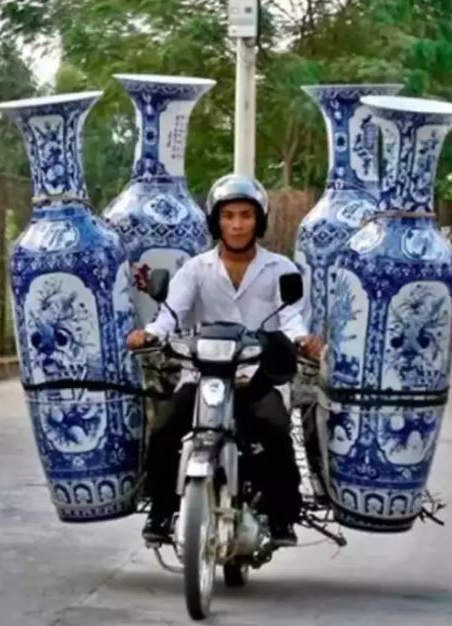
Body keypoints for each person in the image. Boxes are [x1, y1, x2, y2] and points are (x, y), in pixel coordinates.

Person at [127, 174, 323, 546]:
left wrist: (302, 341)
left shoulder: (280, 268)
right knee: (164, 429)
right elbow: (171, 313)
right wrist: (150, 334)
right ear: (215, 220)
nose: (236, 224)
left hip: (256, 375)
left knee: (276, 428)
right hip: (202, 373)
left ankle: (282, 516)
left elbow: (291, 317)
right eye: (228, 215)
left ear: (259, 220)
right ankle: (161, 510)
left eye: (246, 215)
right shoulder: (196, 268)